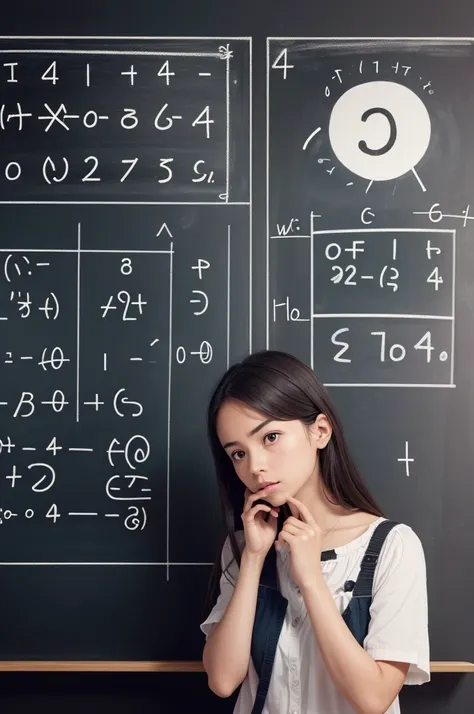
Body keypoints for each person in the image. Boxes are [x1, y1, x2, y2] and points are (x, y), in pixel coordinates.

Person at [200, 349, 430, 714]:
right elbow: (223, 680)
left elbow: (373, 697)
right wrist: (255, 558)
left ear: (320, 431)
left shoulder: (392, 546)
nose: (256, 466)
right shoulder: (248, 545)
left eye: (270, 437)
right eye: (237, 454)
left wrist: (311, 580)